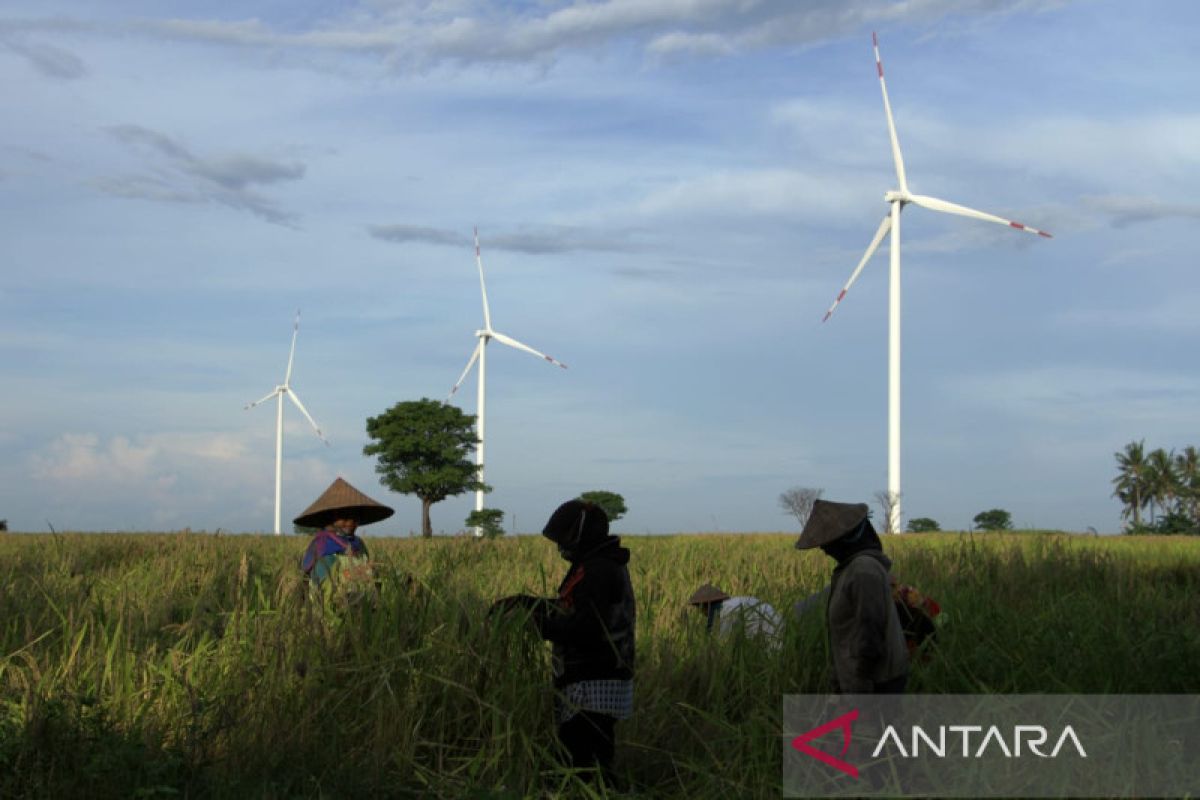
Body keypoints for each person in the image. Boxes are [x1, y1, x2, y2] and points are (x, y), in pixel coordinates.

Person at [492, 499, 635, 781]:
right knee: (592, 756)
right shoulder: (600, 563)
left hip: (594, 679)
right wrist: (527, 604)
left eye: (566, 540)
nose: (561, 549)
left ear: (582, 535)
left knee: (583, 760)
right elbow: (572, 608)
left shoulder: (598, 571)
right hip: (601, 676)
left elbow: (585, 627)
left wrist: (536, 624)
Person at [794, 499, 908, 694]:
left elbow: (870, 633)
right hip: (863, 683)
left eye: (829, 542)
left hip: (876, 685)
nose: (824, 549)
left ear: (847, 538)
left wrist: (861, 691)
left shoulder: (863, 570)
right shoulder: (852, 570)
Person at [294, 477, 393, 590]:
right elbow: (321, 589)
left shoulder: (359, 544)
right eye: (344, 516)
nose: (350, 522)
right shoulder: (323, 546)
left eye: (355, 517)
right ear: (331, 517)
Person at [687, 584, 783, 646]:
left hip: (768, 627)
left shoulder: (726, 610)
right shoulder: (732, 602)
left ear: (706, 606)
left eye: (700, 609)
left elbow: (721, 641)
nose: (701, 613)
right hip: (776, 620)